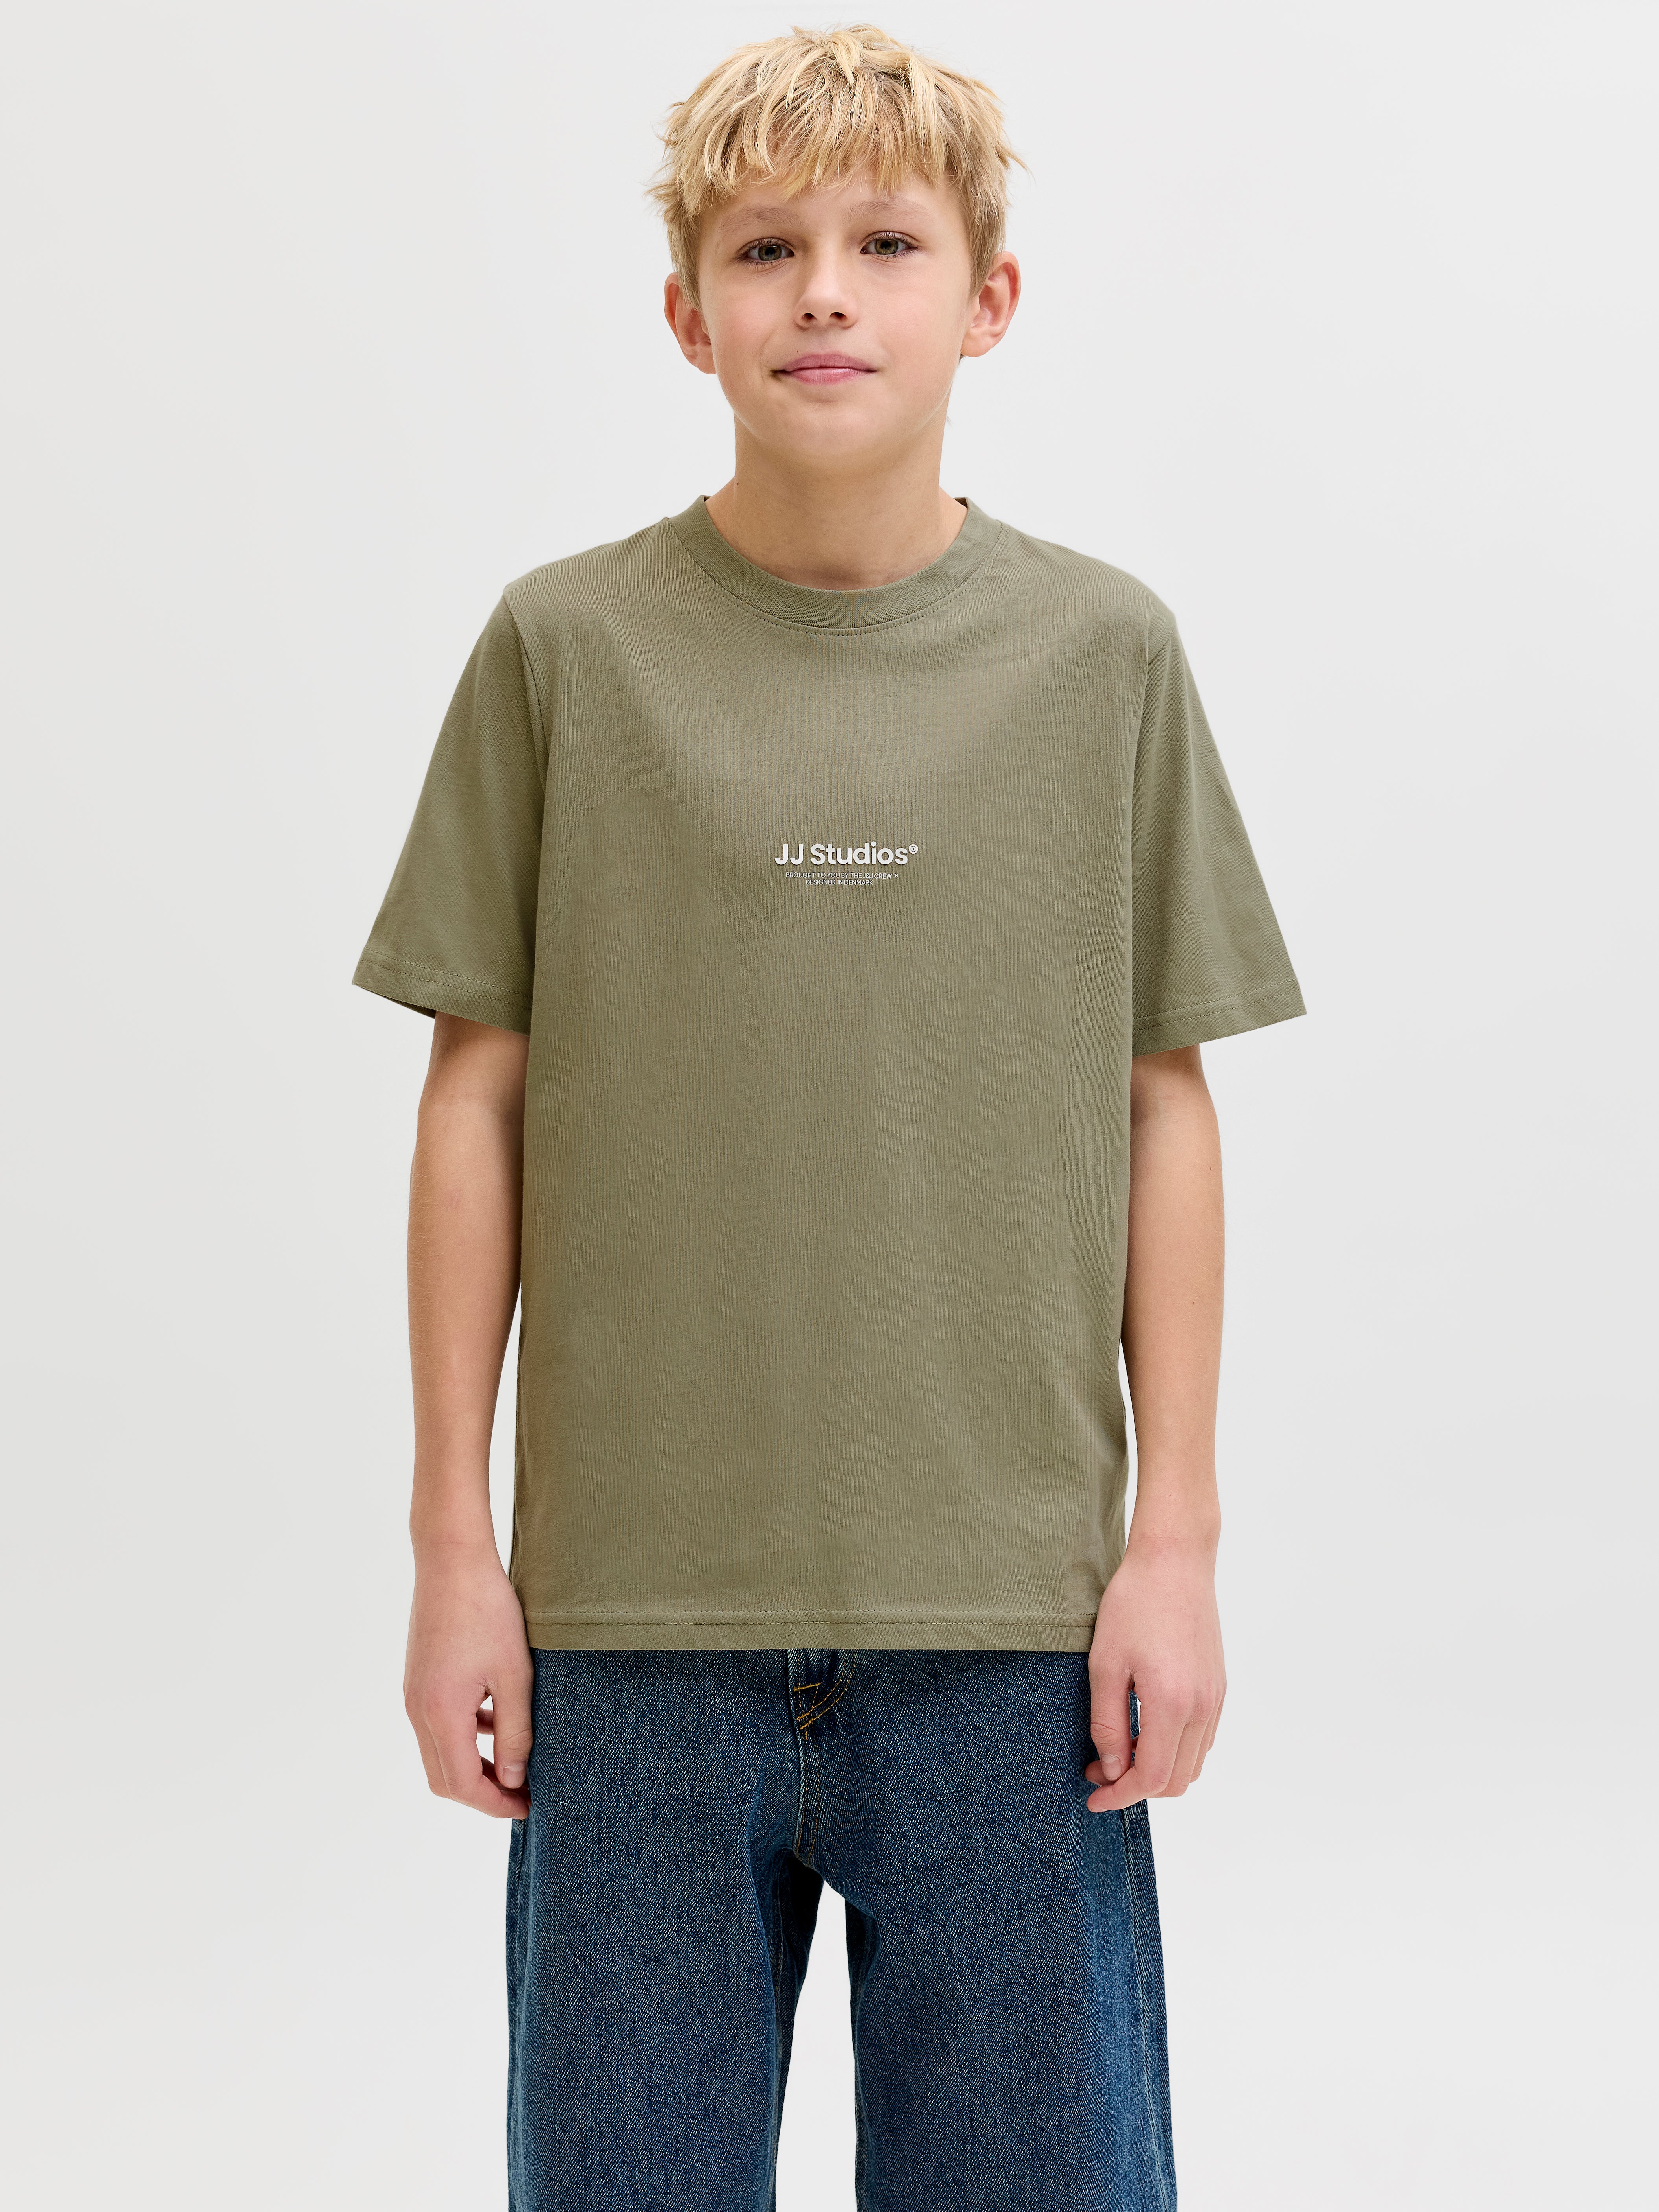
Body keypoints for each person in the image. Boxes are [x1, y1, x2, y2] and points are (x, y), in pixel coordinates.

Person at [353, 24, 1304, 2209]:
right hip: (631, 1635)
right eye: (766, 249)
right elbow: (473, 1102)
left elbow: (1163, 1105)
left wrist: (1173, 1544)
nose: (826, 295)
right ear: (687, 312)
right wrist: (453, 1554)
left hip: (1016, 1636)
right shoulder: (565, 652)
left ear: (991, 297)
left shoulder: (1104, 657)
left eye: (887, 243)